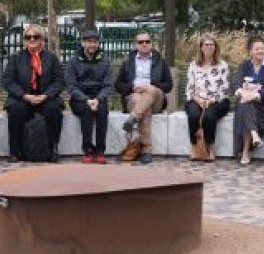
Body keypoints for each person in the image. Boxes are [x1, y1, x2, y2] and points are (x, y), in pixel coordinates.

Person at [3, 26, 65, 162]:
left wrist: (46, 95)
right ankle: (15, 150)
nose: (32, 39)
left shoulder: (51, 58)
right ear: (24, 40)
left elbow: (59, 81)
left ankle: (53, 147)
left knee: (54, 109)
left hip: (45, 97)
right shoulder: (15, 58)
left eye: (36, 36)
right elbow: (8, 81)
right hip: (23, 97)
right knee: (16, 110)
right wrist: (24, 95)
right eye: (28, 37)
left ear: (42, 39)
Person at [114, 31, 173, 164]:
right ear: (136, 45)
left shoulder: (160, 62)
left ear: (151, 43)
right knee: (142, 105)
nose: (144, 44)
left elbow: (169, 85)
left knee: (150, 91)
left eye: (147, 41)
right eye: (141, 42)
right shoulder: (128, 62)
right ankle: (146, 149)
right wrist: (132, 87)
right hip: (134, 96)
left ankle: (133, 118)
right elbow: (118, 85)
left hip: (156, 97)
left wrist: (150, 86)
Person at [65, 27, 116, 163]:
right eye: (88, 41)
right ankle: (88, 150)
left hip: (99, 97)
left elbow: (108, 85)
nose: (91, 44)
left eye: (94, 41)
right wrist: (86, 99)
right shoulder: (73, 61)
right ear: (83, 43)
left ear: (98, 43)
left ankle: (100, 150)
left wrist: (98, 99)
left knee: (102, 110)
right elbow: (71, 86)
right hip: (79, 99)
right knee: (87, 110)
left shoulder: (105, 61)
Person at [231, 36, 264, 165]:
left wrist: (252, 96)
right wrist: (243, 93)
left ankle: (246, 150)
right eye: (257, 49)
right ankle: (253, 137)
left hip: (263, 104)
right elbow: (235, 83)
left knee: (244, 105)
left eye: (262, 49)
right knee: (245, 105)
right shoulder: (244, 65)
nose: (260, 51)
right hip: (246, 101)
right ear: (251, 51)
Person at [185, 34, 231, 162]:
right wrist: (198, 100)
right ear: (201, 47)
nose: (209, 47)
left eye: (212, 45)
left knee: (209, 116)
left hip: (218, 100)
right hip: (196, 99)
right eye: (206, 44)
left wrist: (211, 100)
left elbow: (225, 89)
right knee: (193, 115)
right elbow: (189, 88)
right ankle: (195, 146)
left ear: (216, 47)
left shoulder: (222, 65)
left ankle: (210, 146)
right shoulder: (194, 65)